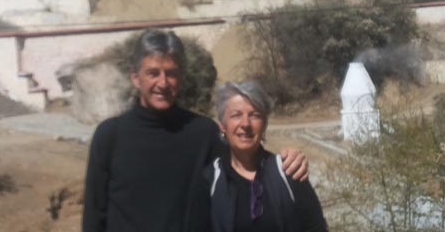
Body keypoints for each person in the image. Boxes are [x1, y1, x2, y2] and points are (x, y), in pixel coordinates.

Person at [83, 29, 309, 232]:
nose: (163, 83)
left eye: (170, 73)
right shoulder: (110, 137)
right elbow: (94, 216)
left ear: (180, 78)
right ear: (135, 77)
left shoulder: (203, 134)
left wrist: (287, 160)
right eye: (153, 73)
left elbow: (246, 167)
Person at [205, 81, 328, 232]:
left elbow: (316, 227)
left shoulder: (288, 171)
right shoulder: (211, 180)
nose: (246, 124)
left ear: (264, 125)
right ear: (222, 125)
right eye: (236, 115)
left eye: (255, 115)